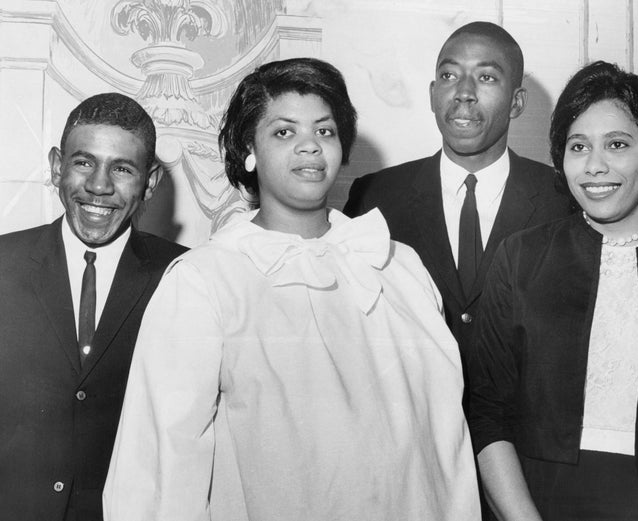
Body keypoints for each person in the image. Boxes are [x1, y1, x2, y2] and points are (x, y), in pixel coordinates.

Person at [103, 57, 481, 521]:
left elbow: (446, 443)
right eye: (284, 132)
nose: (309, 147)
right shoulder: (206, 280)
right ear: (249, 150)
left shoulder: (398, 266)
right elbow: (161, 461)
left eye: (324, 131)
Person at [467, 60, 638, 520]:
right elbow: (487, 412)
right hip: (537, 501)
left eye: (618, 145)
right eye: (578, 146)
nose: (594, 166)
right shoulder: (519, 258)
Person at [0, 93, 187, 521]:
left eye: (122, 168)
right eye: (84, 162)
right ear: (55, 167)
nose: (99, 185)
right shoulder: (2, 265)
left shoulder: (185, 276)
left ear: (151, 182)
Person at [344, 21, 571, 368]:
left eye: (486, 77)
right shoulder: (375, 197)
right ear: (433, 94)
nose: (464, 92)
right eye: (450, 76)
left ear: (517, 102)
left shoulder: (563, 199)